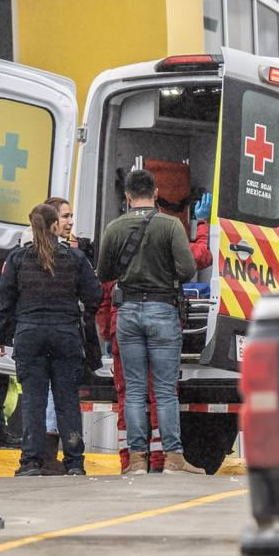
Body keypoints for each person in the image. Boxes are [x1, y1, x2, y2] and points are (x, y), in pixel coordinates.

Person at [97, 169, 204, 474]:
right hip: (162, 310)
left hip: (127, 311)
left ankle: (136, 460)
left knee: (133, 390)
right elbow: (187, 270)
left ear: (127, 196)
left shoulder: (115, 227)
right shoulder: (170, 225)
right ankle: (172, 457)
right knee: (164, 390)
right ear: (156, 193)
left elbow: (104, 273)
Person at [0, 203, 100, 477]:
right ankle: (74, 462)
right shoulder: (74, 258)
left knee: (34, 401)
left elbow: (4, 301)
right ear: (55, 225)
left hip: (29, 335)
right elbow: (94, 296)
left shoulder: (17, 259)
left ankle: (30, 462)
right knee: (67, 401)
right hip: (65, 335)